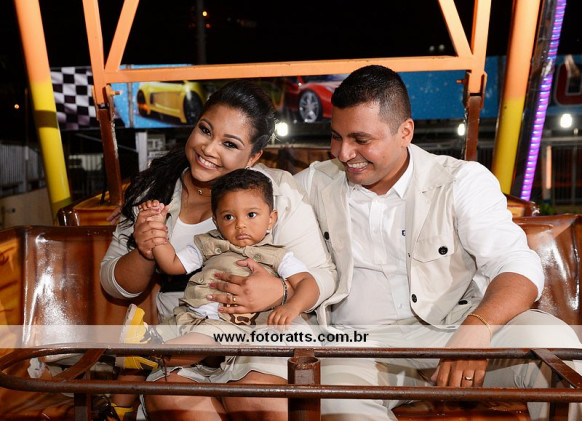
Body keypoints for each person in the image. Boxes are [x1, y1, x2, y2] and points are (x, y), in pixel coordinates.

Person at [209, 65, 582, 421]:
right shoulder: (313, 184)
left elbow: (516, 263)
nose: (343, 153)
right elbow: (242, 195)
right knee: (339, 405)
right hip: (358, 350)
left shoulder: (459, 181)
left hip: (453, 333)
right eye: (336, 136)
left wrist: (478, 326)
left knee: (550, 338)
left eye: (361, 140)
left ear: (405, 132)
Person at [100, 79, 336, 421]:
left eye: (229, 143)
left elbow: (323, 275)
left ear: (253, 156)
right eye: (205, 130)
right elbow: (115, 284)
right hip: (188, 331)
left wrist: (280, 290)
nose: (209, 149)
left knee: (254, 399)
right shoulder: (154, 191)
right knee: (173, 398)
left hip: (264, 330)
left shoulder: (275, 191)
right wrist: (145, 247)